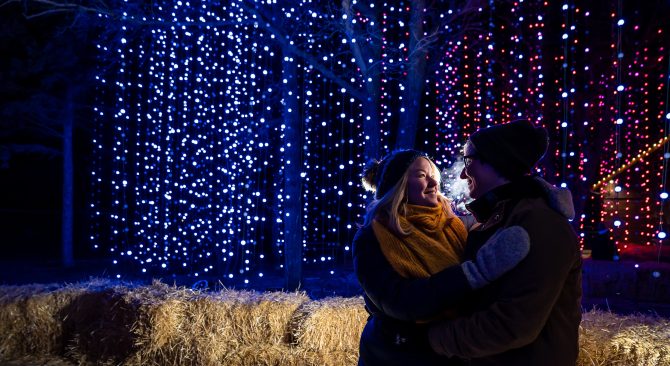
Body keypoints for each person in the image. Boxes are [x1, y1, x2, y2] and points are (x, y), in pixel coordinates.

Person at [353, 149, 531, 366]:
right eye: (421, 175)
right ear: (397, 186)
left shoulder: (454, 225)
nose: (433, 183)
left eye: (433, 176)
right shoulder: (372, 237)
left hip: (447, 352)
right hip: (396, 353)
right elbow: (401, 301)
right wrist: (472, 275)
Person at [424, 119, 582, 365]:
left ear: (495, 160)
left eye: (468, 161)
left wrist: (432, 338)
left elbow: (512, 325)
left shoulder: (539, 224)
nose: (464, 173)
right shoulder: (500, 217)